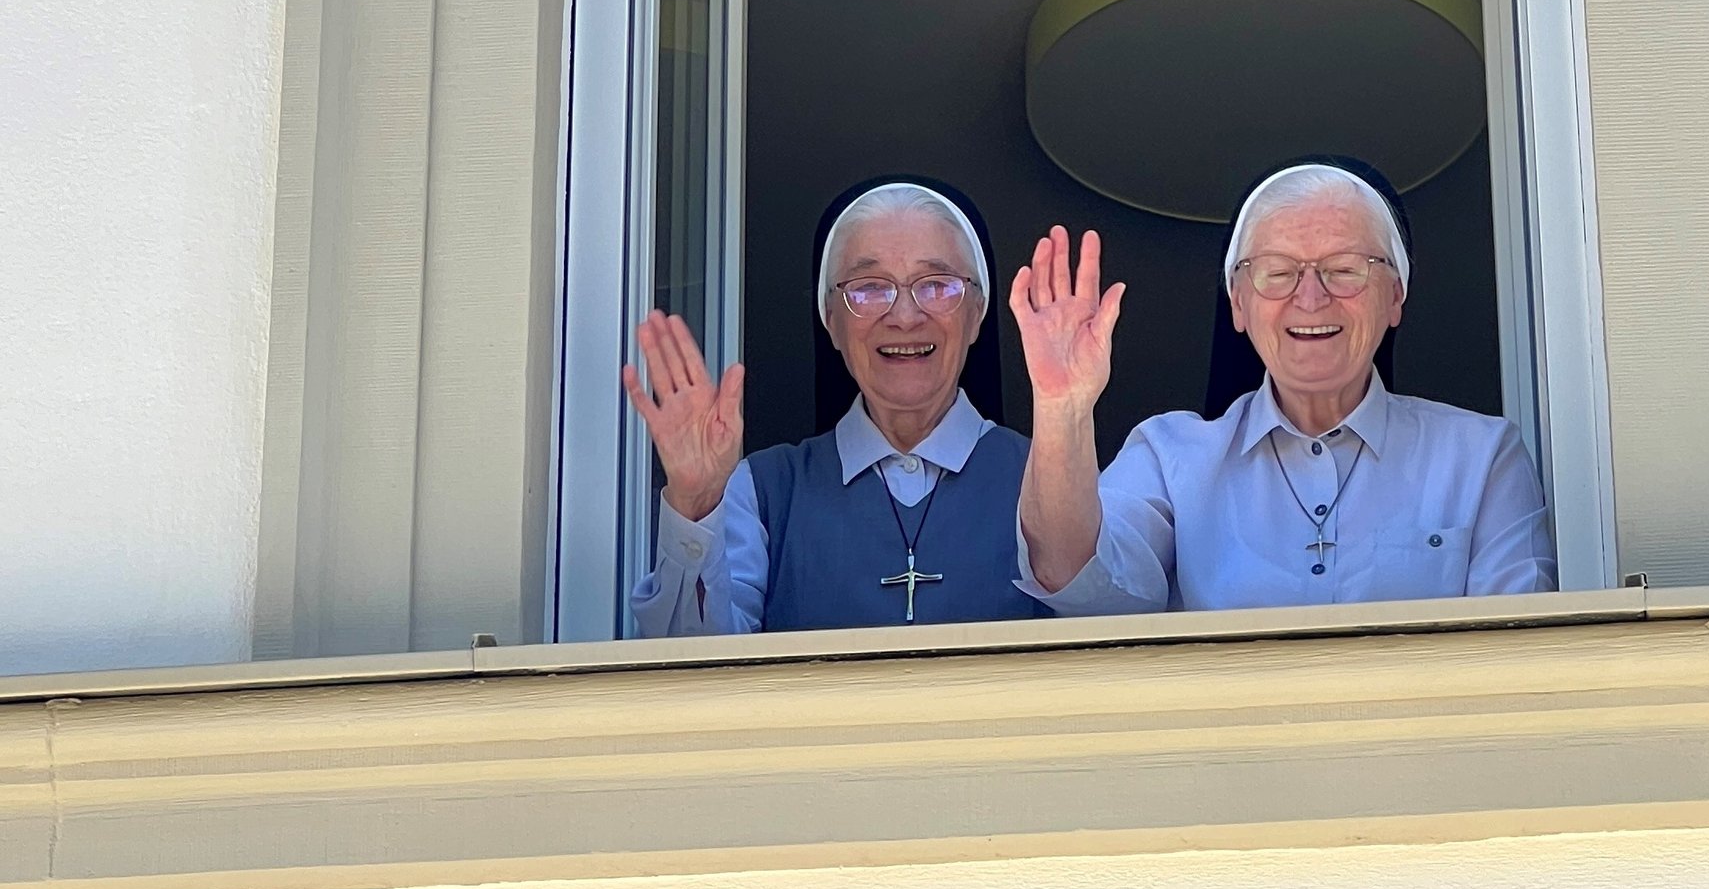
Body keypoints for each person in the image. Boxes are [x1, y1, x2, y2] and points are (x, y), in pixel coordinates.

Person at [1008, 159, 1557, 614]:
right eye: (1277, 272)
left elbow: (1517, 659)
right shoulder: (1170, 457)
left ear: (1395, 297)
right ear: (1240, 305)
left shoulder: (1482, 458)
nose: (1311, 298)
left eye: (1344, 269)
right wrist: (1063, 407)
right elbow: (1076, 579)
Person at [627, 179, 1048, 634]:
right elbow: (695, 674)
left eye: (936, 285)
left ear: (977, 314)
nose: (905, 316)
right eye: (869, 288)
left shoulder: (1047, 480)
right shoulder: (767, 492)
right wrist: (697, 504)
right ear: (831, 322)